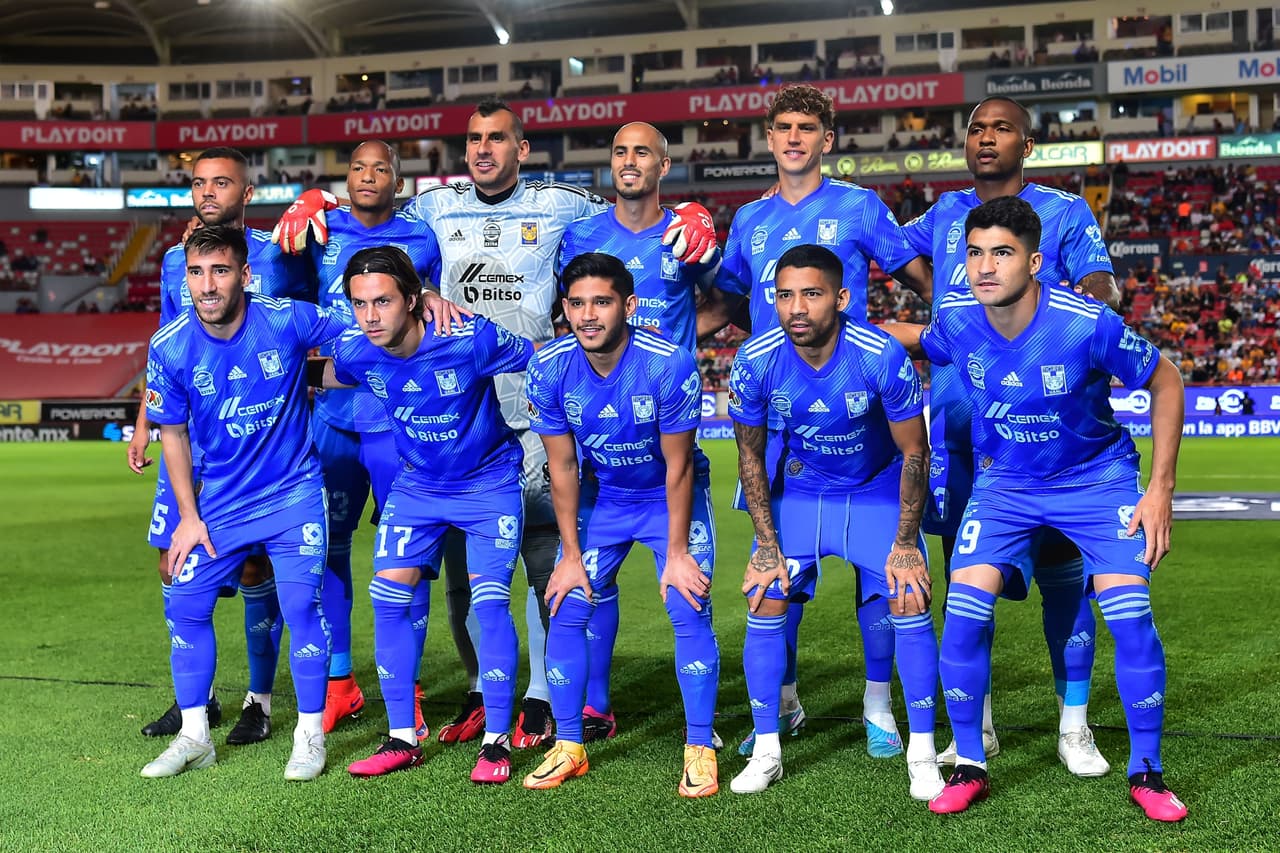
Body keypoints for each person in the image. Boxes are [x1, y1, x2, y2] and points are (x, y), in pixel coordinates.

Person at [271, 99, 718, 749]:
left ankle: (540, 696)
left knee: (544, 559)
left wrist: (692, 212)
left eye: (497, 138)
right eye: (474, 138)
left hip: (535, 408)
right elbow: (372, 219)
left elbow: (637, 216)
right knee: (464, 572)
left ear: (522, 148)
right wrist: (315, 201)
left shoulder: (565, 206)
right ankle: (484, 690)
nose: (482, 149)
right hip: (457, 413)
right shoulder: (432, 208)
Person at [886, 196, 1187, 822]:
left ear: (1036, 261)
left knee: (1129, 616)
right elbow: (925, 341)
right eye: (974, 253)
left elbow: (1167, 381)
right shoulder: (960, 318)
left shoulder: (1086, 323)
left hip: (1096, 482)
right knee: (965, 613)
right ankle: (970, 762)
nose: (984, 267)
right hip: (1005, 486)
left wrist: (1158, 490)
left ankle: (1148, 771)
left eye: (1002, 253)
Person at [702, 83, 932, 759]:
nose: (795, 136)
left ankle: (878, 704)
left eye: (808, 126)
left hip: (861, 407)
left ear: (827, 140)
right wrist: (659, 336)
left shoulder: (861, 206)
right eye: (783, 126)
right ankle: (785, 701)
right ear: (769, 139)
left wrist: (936, 335)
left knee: (880, 568)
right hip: (780, 420)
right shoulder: (749, 220)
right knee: (778, 565)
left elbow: (923, 279)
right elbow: (722, 305)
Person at [901, 96, 1120, 775]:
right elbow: (873, 247)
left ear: (1028, 143)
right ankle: (980, 731)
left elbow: (1102, 285)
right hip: (961, 437)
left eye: (1002, 127)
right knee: (967, 586)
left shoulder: (1063, 212)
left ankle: (1074, 726)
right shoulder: (942, 215)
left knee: (1065, 583)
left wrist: (1085, 301)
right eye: (975, 127)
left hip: (1046, 440)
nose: (986, 137)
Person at [727, 244, 940, 799]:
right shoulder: (755, 359)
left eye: (812, 293)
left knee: (908, 594)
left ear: (842, 298)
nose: (796, 307)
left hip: (874, 492)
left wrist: (906, 543)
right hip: (802, 490)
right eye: (784, 295)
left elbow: (915, 453)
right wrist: (767, 544)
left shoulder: (880, 354)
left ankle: (920, 751)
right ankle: (769, 745)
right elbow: (750, 456)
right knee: (764, 592)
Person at [314, 246, 534, 783]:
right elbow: (326, 373)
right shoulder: (358, 349)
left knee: (488, 603)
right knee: (386, 598)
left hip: (488, 484)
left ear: (412, 300)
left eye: (383, 302)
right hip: (417, 488)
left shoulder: (469, 338)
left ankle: (498, 742)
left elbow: (542, 356)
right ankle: (401, 738)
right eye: (359, 304)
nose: (370, 316)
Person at [139, 226, 347, 780]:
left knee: (302, 605)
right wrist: (188, 517)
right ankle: (194, 736)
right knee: (184, 602)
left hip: (292, 494)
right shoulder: (170, 345)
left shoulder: (286, 318)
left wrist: (421, 299)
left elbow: (365, 324)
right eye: (197, 272)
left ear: (245, 276)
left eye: (221, 270)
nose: (207, 285)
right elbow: (174, 435)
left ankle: (308, 735)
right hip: (220, 503)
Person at [127, 147, 316, 747]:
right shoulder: (174, 262)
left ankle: (258, 702)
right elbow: (166, 345)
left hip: (256, 444)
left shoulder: (278, 253)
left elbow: (301, 326)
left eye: (221, 182)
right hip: (193, 440)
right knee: (175, 564)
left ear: (248, 190)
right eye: (198, 182)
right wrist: (143, 420)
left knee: (258, 563)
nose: (208, 192)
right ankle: (197, 705)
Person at [523, 252, 720, 796]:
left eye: (602, 302)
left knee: (688, 601)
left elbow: (678, 465)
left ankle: (700, 746)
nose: (589, 315)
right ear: (565, 308)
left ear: (628, 306)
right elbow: (560, 466)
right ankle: (568, 745)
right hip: (602, 498)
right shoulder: (550, 366)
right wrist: (567, 555)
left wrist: (677, 553)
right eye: (578, 303)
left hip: (667, 497)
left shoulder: (668, 362)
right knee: (567, 601)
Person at [557, 122, 723, 741]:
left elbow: (730, 300)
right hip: (600, 447)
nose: (630, 162)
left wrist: (671, 348)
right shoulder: (580, 236)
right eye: (621, 151)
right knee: (583, 591)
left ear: (664, 164)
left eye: (643, 153)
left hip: (665, 428)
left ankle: (701, 736)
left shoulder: (686, 234)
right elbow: (569, 304)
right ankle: (590, 710)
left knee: (686, 594)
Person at [304, 141, 448, 738]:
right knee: (327, 552)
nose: (368, 176)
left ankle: (407, 692)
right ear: (345, 177)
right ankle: (341, 685)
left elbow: (438, 304)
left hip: (399, 421)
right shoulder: (315, 229)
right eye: (358, 167)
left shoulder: (422, 236)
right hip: (332, 414)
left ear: (398, 179)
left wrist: (438, 294)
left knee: (406, 558)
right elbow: (274, 288)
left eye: (380, 168)